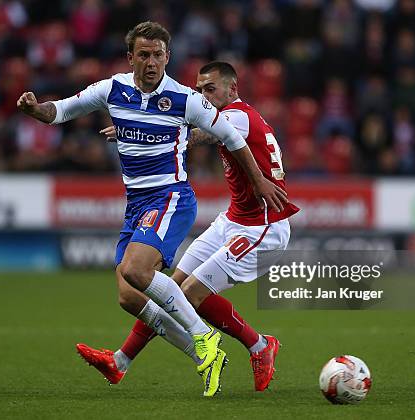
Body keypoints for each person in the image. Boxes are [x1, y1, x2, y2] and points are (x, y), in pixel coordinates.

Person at [16, 22, 288, 397]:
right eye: (143, 54)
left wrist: (257, 180)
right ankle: (133, 360)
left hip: (179, 201)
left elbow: (222, 133)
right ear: (131, 58)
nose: (151, 62)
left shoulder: (194, 102)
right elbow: (59, 111)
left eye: (158, 55)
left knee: (154, 277)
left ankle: (232, 341)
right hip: (155, 207)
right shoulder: (113, 88)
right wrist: (36, 110)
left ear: (167, 58)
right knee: (133, 294)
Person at [78, 61, 299, 393]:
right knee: (169, 290)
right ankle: (120, 362)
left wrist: (143, 128)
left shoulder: (237, 115)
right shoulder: (237, 116)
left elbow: (200, 134)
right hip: (233, 220)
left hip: (262, 228)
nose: (203, 96)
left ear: (232, 89)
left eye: (210, 89)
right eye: (199, 90)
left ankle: (259, 345)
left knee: (192, 295)